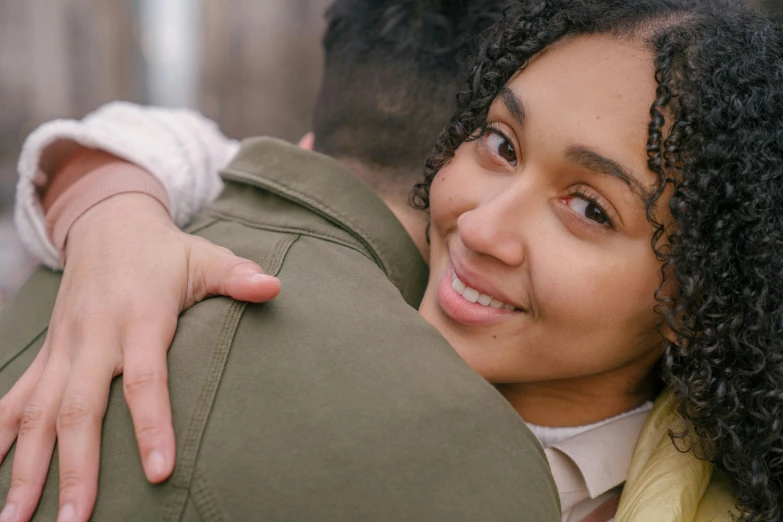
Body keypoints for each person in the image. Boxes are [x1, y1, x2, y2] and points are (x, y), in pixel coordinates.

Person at [6, 0, 783, 520]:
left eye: (588, 208)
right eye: (501, 144)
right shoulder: (350, 282)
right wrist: (114, 216)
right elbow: (205, 152)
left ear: (704, 286)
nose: (481, 228)